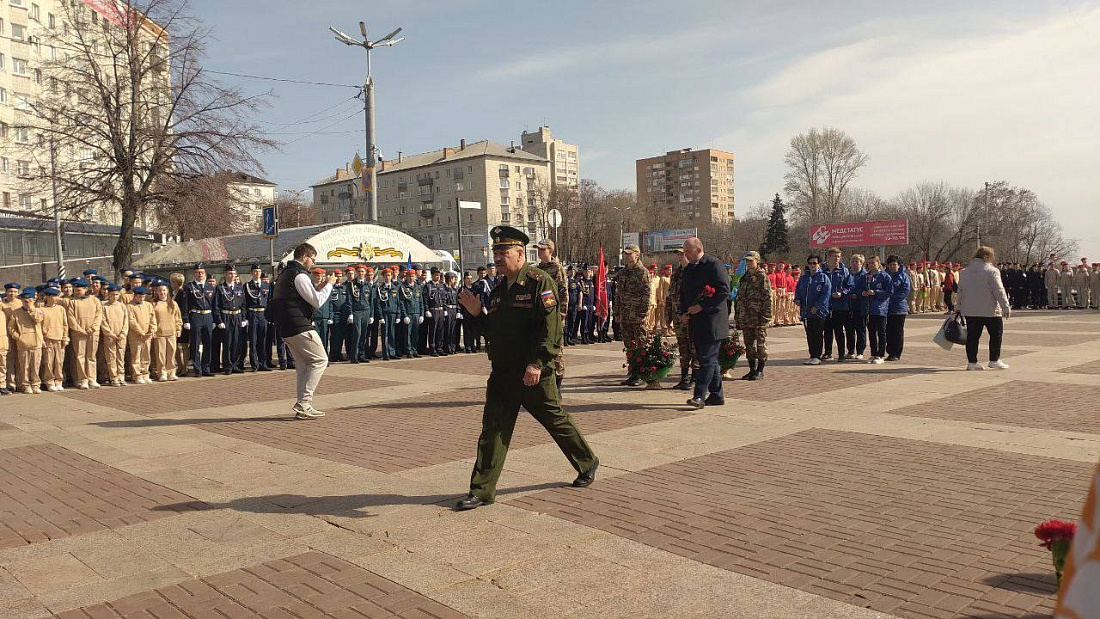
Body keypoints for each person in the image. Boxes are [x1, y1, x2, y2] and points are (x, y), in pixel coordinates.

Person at [454, 226, 599, 511]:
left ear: (520, 253)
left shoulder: (538, 282)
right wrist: (476, 314)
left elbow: (551, 328)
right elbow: (492, 331)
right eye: (494, 252)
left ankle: (587, 461)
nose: (497, 258)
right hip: (503, 374)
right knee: (492, 431)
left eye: (502, 252)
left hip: (531, 372)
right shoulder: (497, 292)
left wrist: (538, 363)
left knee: (554, 420)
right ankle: (482, 490)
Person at [269, 244, 336, 419]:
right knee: (321, 360)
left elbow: (300, 298)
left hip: (287, 328)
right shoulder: (299, 275)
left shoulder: (285, 274)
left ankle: (303, 406)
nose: (313, 263)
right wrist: (329, 285)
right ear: (305, 256)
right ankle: (304, 402)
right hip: (299, 326)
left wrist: (319, 287)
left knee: (303, 366)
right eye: (313, 259)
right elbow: (316, 301)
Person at [679, 237, 730, 408]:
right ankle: (716, 395)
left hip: (712, 320)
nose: (685, 254)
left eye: (687, 251)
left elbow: (723, 291)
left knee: (706, 359)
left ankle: (699, 395)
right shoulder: (689, 268)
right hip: (696, 321)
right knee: (708, 359)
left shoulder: (714, 264)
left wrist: (702, 306)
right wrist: (684, 312)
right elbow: (684, 292)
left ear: (698, 249)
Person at [956, 246, 1012, 371]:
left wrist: (958, 306)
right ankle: (994, 360)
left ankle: (972, 362)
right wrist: (1005, 306)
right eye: (991, 258)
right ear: (986, 257)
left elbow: (960, 291)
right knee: (996, 334)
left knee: (972, 337)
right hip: (990, 310)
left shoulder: (964, 272)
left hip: (970, 310)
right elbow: (999, 291)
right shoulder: (992, 271)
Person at [615, 245, 652, 386]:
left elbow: (647, 294)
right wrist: (617, 312)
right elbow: (618, 295)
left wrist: (642, 313)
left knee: (641, 345)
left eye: (630, 254)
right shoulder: (623, 273)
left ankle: (642, 374)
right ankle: (633, 373)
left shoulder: (642, 272)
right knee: (629, 346)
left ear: (637, 255)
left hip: (637, 315)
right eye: (625, 254)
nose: (627, 256)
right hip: (625, 315)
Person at [736, 250, 772, 381]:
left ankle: (760, 370)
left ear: (757, 261)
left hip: (758, 317)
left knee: (761, 345)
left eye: (751, 261)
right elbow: (739, 298)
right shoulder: (744, 278)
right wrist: (738, 315)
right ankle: (751, 370)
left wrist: (766, 317)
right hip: (746, 317)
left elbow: (768, 298)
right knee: (749, 345)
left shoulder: (762, 277)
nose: (748, 263)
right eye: (747, 261)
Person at [667, 248, 697, 390]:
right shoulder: (676, 275)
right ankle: (684, 377)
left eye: (682, 253)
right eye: (678, 254)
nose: (680, 256)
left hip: (692, 318)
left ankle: (695, 378)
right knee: (683, 349)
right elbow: (670, 297)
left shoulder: (695, 272)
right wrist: (668, 318)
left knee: (694, 348)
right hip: (678, 318)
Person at [794, 254, 831, 365]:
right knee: (810, 334)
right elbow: (798, 290)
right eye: (810, 263)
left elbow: (826, 294)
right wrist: (797, 299)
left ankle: (817, 356)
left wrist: (817, 306)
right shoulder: (804, 277)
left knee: (817, 333)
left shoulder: (823, 277)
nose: (812, 265)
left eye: (814, 263)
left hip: (819, 312)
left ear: (819, 264)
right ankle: (812, 355)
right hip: (806, 311)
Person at [67, 279, 103, 389]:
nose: (77, 292)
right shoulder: (72, 302)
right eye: (75, 290)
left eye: (79, 290)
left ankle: (92, 379)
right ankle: (83, 379)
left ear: (85, 289)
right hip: (79, 333)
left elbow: (99, 315)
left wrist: (94, 327)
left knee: (91, 356)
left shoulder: (95, 300)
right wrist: (79, 330)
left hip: (93, 332)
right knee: (80, 356)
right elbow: (71, 318)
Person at [858, 256, 893, 364]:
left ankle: (881, 354)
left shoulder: (885, 276)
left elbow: (889, 292)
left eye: (873, 263)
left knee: (881, 332)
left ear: (878, 263)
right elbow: (860, 288)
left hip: (880, 308)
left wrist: (876, 292)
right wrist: (862, 293)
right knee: (871, 332)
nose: (871, 265)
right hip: (869, 308)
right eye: (869, 263)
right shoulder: (866, 276)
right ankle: (873, 353)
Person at [10, 290, 43, 394]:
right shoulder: (16, 312)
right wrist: (17, 337)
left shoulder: (39, 310)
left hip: (36, 342)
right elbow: (11, 327)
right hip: (23, 343)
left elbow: (38, 319)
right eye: (25, 298)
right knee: (24, 366)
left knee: (35, 365)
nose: (27, 300)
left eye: (29, 298)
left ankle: (36, 384)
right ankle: (25, 385)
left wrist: (30, 309)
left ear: (34, 299)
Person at [151, 281, 183, 381]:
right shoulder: (153, 304)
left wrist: (178, 328)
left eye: (164, 290)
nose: (162, 292)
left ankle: (171, 372)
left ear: (167, 291)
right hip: (159, 333)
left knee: (171, 353)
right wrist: (153, 330)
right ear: (156, 292)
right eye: (160, 290)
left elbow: (178, 317)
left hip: (171, 332)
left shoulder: (173, 303)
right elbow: (151, 318)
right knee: (160, 354)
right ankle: (162, 373)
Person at [822, 247, 850, 361]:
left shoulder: (844, 271)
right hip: (826, 306)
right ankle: (828, 352)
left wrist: (842, 293)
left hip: (840, 306)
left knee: (839, 331)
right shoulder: (823, 271)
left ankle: (841, 354)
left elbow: (849, 286)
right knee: (827, 331)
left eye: (838, 256)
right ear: (829, 257)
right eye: (834, 256)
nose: (837, 259)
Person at [39, 288, 68, 392]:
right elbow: (39, 326)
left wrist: (65, 337)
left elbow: (65, 325)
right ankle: (49, 382)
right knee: (48, 362)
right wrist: (42, 339)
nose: (56, 298)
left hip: (59, 339)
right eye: (53, 296)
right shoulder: (41, 309)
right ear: (47, 297)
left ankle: (59, 381)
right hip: (48, 339)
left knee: (59, 362)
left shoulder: (61, 309)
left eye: (56, 296)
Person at [125, 286, 156, 384]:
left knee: (146, 355)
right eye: (139, 297)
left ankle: (145, 373)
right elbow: (132, 321)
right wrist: (141, 332)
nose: (141, 299)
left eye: (143, 297)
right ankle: (137, 375)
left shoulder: (148, 305)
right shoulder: (129, 306)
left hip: (147, 335)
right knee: (136, 355)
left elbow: (152, 318)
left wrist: (152, 330)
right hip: (135, 335)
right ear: (135, 296)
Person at [885, 255, 911, 361]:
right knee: (888, 331)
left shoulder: (903, 276)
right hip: (886, 309)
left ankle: (896, 353)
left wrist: (891, 298)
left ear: (899, 265)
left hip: (899, 308)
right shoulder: (885, 276)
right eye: (890, 264)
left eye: (894, 264)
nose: (892, 266)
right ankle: (890, 352)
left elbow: (905, 291)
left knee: (897, 332)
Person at [374, 267, 401, 360]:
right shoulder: (380, 289)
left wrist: (398, 315)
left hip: (393, 313)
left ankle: (392, 352)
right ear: (383, 276)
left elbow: (398, 302)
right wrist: (380, 316)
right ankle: (386, 354)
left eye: (389, 275)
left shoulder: (395, 288)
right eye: (386, 275)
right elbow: (378, 304)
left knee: (392, 334)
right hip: (385, 314)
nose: (388, 277)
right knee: (385, 334)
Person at [845, 254, 868, 359]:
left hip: (860, 306)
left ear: (861, 263)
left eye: (857, 261)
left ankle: (860, 351)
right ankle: (850, 351)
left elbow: (865, 288)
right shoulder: (847, 274)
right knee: (849, 330)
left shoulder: (865, 275)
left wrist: (857, 294)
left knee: (860, 330)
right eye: (853, 261)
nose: (854, 263)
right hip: (848, 306)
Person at [399, 268, 423, 358]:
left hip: (416, 313)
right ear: (406, 277)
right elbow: (401, 302)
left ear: (415, 277)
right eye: (409, 276)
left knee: (415, 334)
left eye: (413, 276)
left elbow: (421, 301)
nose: (411, 278)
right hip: (408, 314)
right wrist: (404, 315)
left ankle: (414, 349)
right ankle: (409, 351)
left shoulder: (417, 287)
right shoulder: (403, 287)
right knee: (407, 334)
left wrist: (422, 314)